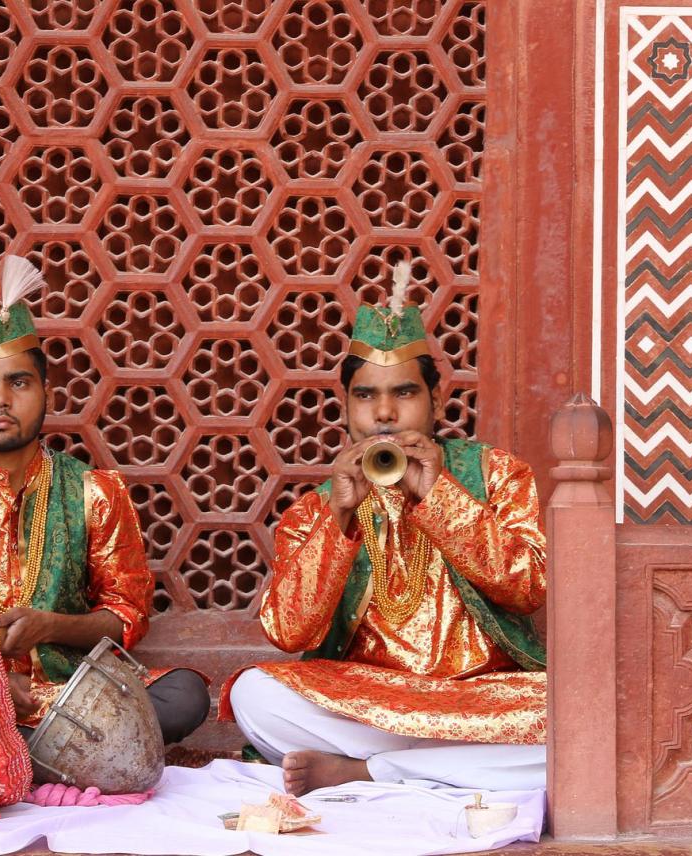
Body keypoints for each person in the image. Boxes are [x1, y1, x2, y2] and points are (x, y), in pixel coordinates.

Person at [225, 263, 547, 796]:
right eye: (365, 396)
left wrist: (440, 497)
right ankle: (443, 769)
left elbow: (528, 588)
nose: (384, 414)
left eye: (404, 393)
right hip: (369, 700)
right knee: (254, 694)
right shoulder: (318, 505)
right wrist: (339, 519)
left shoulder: (495, 473)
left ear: (436, 401)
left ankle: (371, 773)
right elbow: (288, 633)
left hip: (482, 697)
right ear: (345, 406)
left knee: (571, 720)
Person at [0, 256, 208, 816]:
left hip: (73, 697)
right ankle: (36, 756)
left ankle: (11, 761)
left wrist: (51, 626)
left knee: (185, 695)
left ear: (46, 392)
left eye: (18, 382)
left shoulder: (93, 491)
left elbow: (127, 616)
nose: (0, 400)